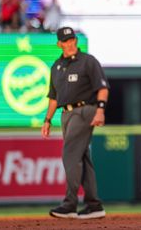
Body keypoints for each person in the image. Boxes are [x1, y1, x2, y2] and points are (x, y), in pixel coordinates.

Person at [41, 26, 109, 219]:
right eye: (66, 41)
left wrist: (101, 110)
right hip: (66, 114)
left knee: (70, 154)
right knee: (82, 158)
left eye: (72, 40)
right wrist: (47, 120)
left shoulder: (88, 61)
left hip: (85, 110)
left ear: (75, 41)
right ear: (59, 44)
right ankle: (94, 205)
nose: (70, 44)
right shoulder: (56, 66)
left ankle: (70, 204)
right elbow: (53, 98)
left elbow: (102, 88)